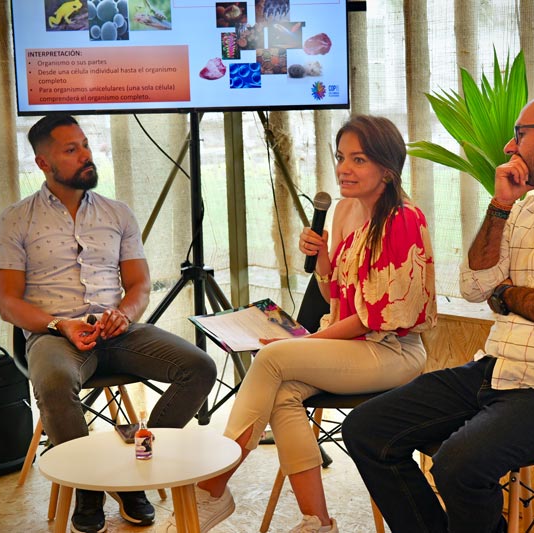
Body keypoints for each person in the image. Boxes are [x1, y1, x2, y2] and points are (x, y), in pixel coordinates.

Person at [342, 92, 534, 533]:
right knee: (366, 429)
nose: (509, 147)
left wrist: (506, 295)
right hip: (495, 371)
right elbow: (473, 287)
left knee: (458, 464)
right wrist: (500, 206)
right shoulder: (521, 209)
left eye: (520, 135)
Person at [172, 115, 436, 533]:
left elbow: (372, 317)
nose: (344, 168)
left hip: (393, 350)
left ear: (387, 169)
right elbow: (339, 296)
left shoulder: (402, 218)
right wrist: (325, 257)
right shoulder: (354, 213)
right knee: (284, 395)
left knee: (274, 357)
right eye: (340, 157)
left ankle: (213, 487)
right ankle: (318, 522)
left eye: (359, 159)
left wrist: (307, 341)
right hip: (358, 345)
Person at [0, 114, 217, 533]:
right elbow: (7, 302)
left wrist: (124, 315)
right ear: (43, 163)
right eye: (71, 150)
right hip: (54, 334)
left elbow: (139, 285)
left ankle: (133, 471)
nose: (86, 156)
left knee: (200, 367)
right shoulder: (15, 220)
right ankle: (89, 492)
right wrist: (60, 325)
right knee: (55, 382)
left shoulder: (118, 213)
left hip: (118, 330)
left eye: (86, 145)